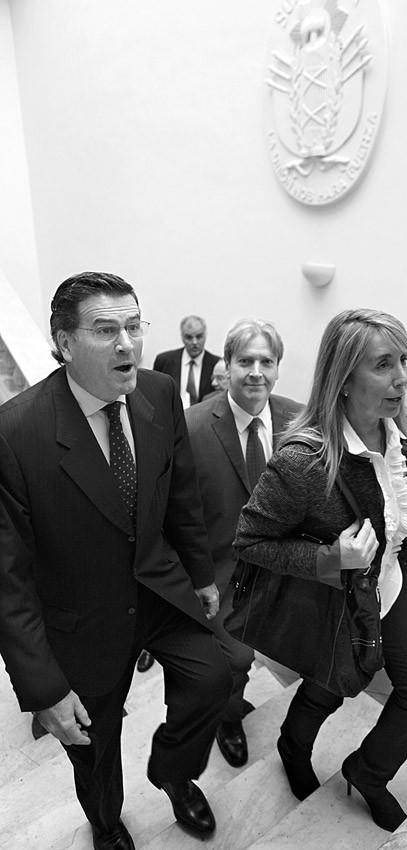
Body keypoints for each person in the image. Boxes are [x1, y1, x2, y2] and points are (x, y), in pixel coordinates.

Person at [0, 272, 232, 850]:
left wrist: (201, 576)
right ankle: (106, 824)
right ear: (65, 342)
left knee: (214, 676)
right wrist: (43, 688)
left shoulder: (156, 393)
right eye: (107, 330)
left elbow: (180, 495)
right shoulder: (16, 434)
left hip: (158, 589)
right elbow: (8, 580)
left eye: (133, 326)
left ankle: (173, 773)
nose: (127, 343)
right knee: (94, 746)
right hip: (83, 619)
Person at [233, 308, 407, 833]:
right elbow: (250, 539)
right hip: (335, 598)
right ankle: (292, 745)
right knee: (332, 685)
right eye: (382, 365)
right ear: (344, 378)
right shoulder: (305, 461)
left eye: (403, 360)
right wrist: (332, 559)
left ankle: (367, 773)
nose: (400, 377)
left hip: (387, 588)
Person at [185, 319, 301, 768]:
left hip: (283, 569)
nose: (256, 372)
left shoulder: (298, 420)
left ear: (277, 369)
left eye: (266, 362)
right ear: (227, 365)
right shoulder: (193, 427)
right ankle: (226, 717)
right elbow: (179, 515)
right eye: (245, 361)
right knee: (234, 660)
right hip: (220, 574)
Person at [153, 315, 220, 407]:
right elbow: (155, 395)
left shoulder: (217, 364)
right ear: (182, 337)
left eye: (199, 336)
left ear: (205, 335)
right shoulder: (164, 361)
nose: (194, 342)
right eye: (189, 337)